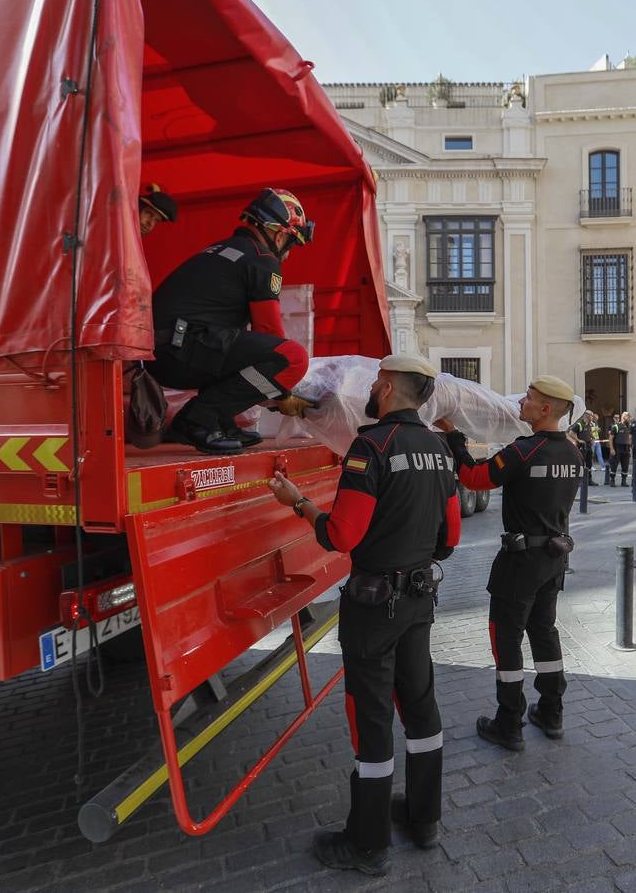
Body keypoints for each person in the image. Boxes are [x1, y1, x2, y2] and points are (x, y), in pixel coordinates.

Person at [266, 353, 460, 876]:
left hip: (374, 606)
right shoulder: (440, 451)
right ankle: (424, 820)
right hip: (420, 600)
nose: (373, 388)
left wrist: (298, 502)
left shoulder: (369, 447)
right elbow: (451, 538)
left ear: (390, 386)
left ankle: (367, 843)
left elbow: (340, 535)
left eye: (378, 381)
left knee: (371, 716)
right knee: (420, 707)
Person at [439, 376, 583, 752]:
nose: (520, 402)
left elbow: (474, 477)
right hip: (554, 560)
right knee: (544, 632)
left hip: (519, 564)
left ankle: (509, 723)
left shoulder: (523, 451)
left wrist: (453, 436)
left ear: (546, 409)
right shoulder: (572, 452)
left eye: (529, 399)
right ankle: (551, 712)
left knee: (506, 640)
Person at [149, 188, 314, 452]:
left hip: (165, 350)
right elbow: (269, 330)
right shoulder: (262, 260)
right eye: (291, 242)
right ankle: (197, 420)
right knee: (292, 357)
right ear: (278, 232)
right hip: (182, 348)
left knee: (235, 342)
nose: (289, 252)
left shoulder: (222, 250)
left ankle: (219, 422)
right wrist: (283, 392)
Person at [571, 412, 597, 485]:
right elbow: (571, 433)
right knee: (580, 464)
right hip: (581, 446)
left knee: (589, 464)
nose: (592, 417)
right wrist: (578, 440)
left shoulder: (589, 424)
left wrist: (592, 438)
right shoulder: (579, 424)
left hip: (588, 446)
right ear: (587, 416)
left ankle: (589, 480)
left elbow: (590, 433)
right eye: (591, 416)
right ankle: (579, 481)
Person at [606, 412, 630, 487]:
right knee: (614, 465)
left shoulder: (629, 427)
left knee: (625, 465)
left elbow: (630, 438)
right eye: (628, 417)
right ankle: (612, 480)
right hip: (617, 448)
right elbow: (610, 438)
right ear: (624, 417)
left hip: (626, 449)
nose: (629, 419)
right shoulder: (616, 426)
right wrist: (612, 449)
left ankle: (624, 481)